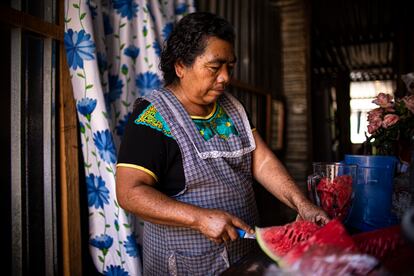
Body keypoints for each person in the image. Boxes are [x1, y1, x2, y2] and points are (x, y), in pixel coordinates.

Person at [116, 11, 329, 275]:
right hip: (185, 263)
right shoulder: (152, 118)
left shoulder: (233, 107)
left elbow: (260, 160)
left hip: (244, 257)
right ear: (181, 66)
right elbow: (129, 193)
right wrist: (199, 218)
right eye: (215, 67)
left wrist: (301, 203)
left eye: (230, 66)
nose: (225, 77)